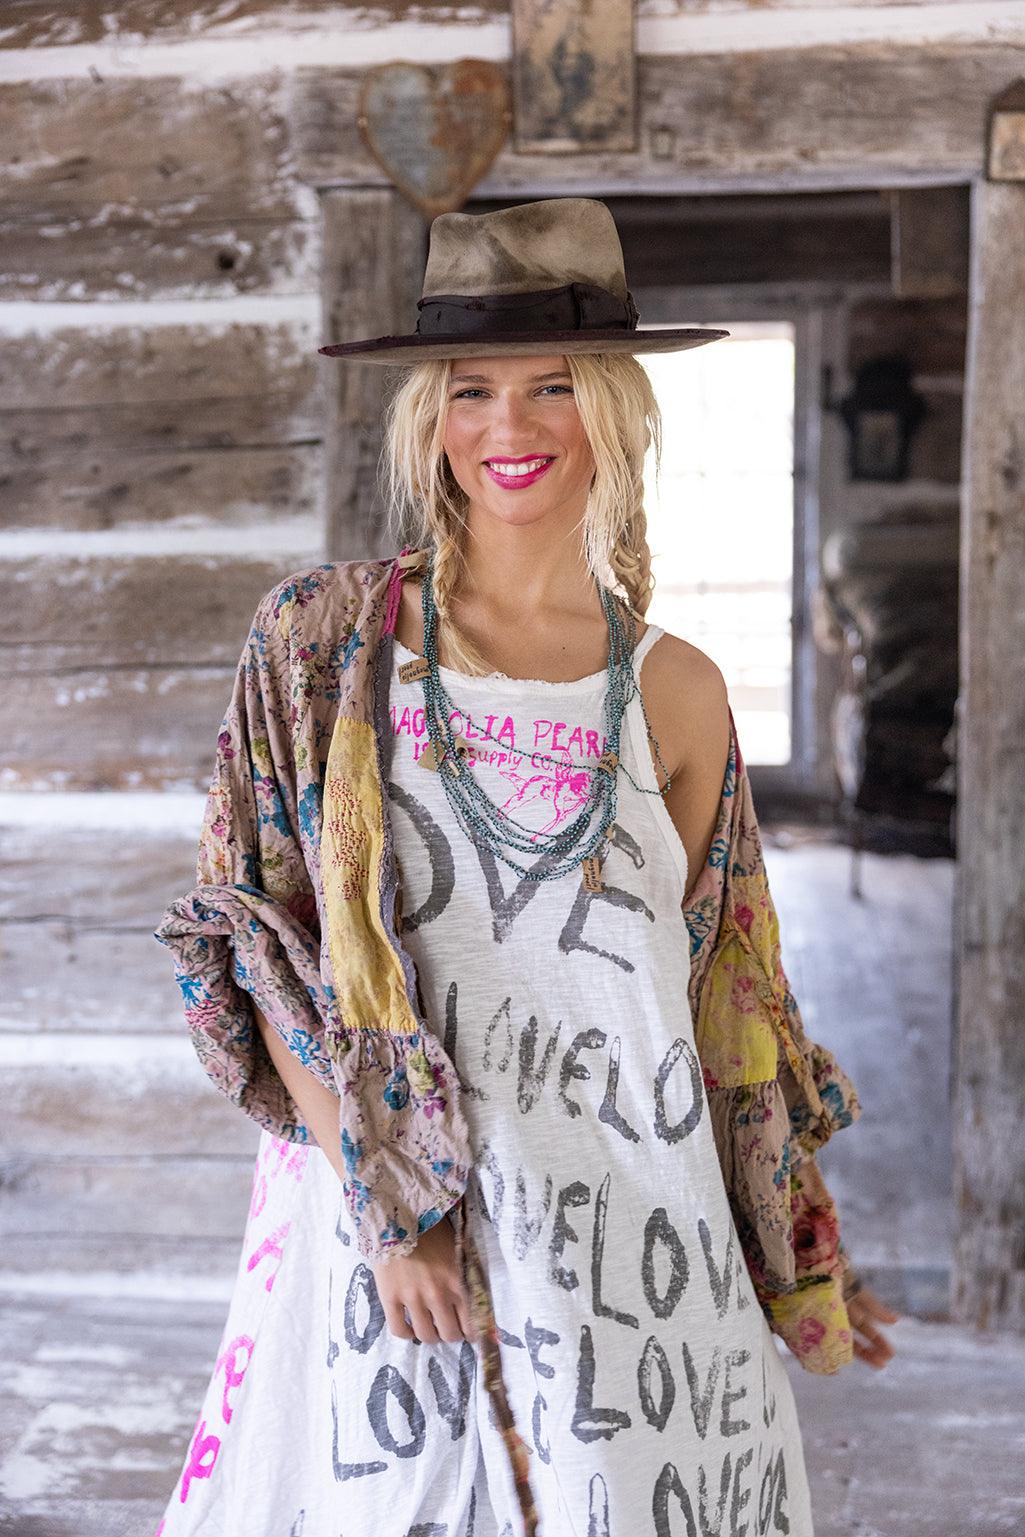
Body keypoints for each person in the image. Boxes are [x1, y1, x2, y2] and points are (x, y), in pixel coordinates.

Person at [153, 197, 897, 1537]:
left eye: (553, 385)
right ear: (429, 413)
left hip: (635, 1248)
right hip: (399, 1237)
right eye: (472, 389)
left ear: (612, 407)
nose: (509, 425)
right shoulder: (321, 647)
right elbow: (264, 955)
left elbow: (730, 998)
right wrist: (397, 1210)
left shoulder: (673, 689)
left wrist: (798, 1251)